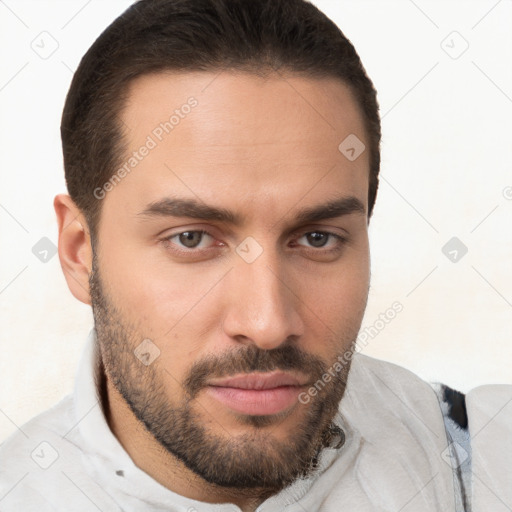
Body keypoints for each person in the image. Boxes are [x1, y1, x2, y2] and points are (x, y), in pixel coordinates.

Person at [0, 0, 510, 511]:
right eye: (192, 239)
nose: (267, 324)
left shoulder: (488, 463)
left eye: (317, 238)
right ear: (78, 252)